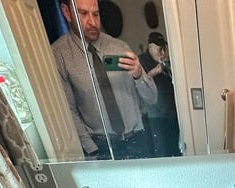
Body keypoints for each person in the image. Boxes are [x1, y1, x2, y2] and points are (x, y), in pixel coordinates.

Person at [51, 0, 157, 160]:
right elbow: (69, 110)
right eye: (83, 14)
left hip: (137, 139)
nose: (92, 22)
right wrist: (92, 150)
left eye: (96, 14)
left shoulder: (120, 47)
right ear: (67, 12)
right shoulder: (59, 55)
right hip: (100, 147)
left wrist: (139, 74)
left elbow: (152, 98)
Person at [139, 31, 181, 157]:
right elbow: (139, 85)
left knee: (175, 150)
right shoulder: (141, 61)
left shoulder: (166, 61)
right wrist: (155, 71)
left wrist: (170, 68)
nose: (163, 53)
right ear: (150, 47)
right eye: (159, 49)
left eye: (164, 49)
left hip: (171, 114)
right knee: (161, 152)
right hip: (154, 117)